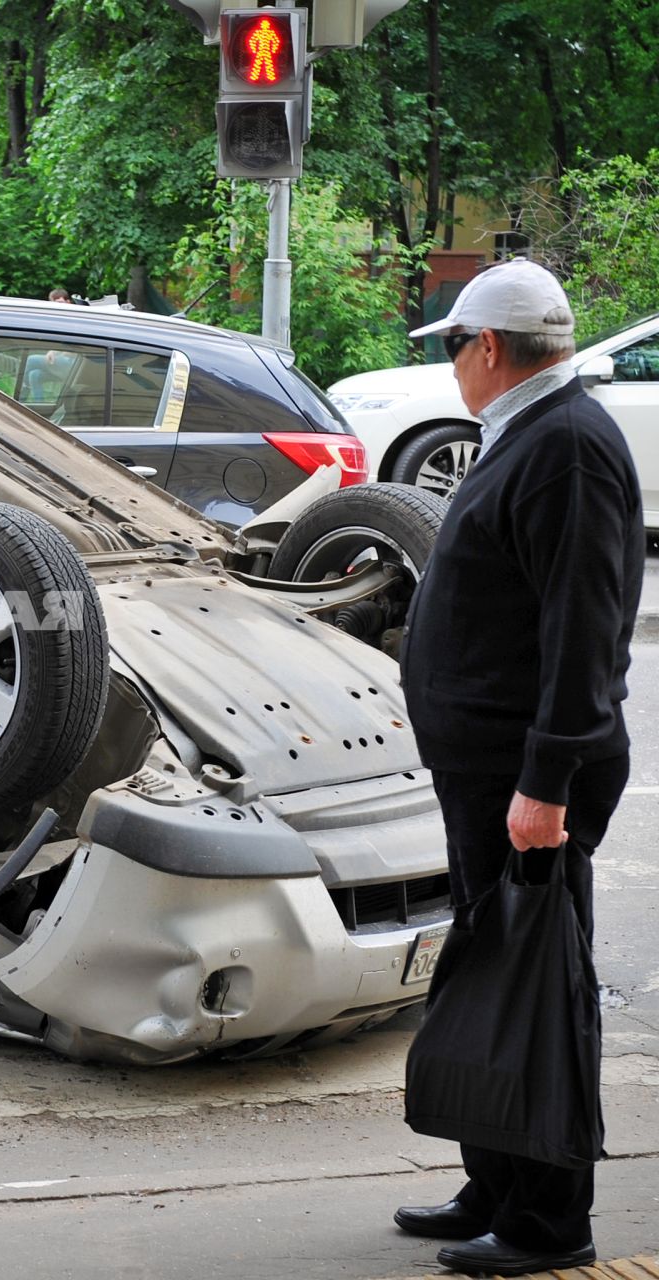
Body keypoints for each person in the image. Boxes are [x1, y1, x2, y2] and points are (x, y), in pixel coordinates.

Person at [394, 259, 640, 1277]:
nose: (453, 366)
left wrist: (545, 781)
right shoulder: (532, 434)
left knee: (538, 987)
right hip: (490, 771)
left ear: (487, 348)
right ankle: (495, 1179)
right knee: (494, 972)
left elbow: (586, 634)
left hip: (525, 782)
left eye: (454, 347)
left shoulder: (568, 448)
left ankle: (549, 1215)